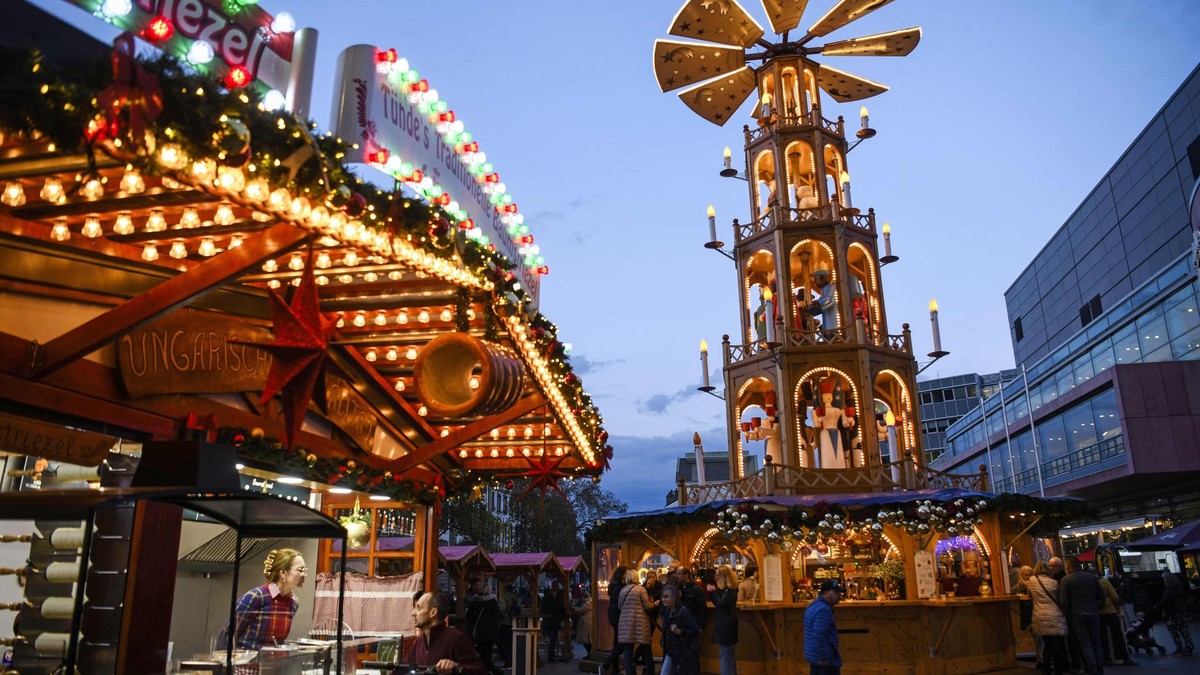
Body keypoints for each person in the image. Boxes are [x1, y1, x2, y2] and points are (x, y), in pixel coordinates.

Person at [217, 548, 306, 650]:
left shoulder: (293, 602)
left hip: (272, 664)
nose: (304, 574)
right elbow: (227, 635)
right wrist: (227, 664)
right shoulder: (256, 596)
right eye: (300, 570)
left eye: (305, 570)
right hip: (245, 664)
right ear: (283, 573)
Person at [408, 590, 487, 675]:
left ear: (433, 612)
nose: (413, 613)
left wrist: (456, 667)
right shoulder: (417, 643)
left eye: (418, 608)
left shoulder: (456, 638)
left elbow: (480, 671)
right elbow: (403, 669)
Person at [1059, 555, 1105, 675]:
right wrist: (1095, 606)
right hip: (1092, 612)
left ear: (1068, 566)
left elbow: (1063, 602)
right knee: (1096, 643)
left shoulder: (1066, 580)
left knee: (1085, 645)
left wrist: (1068, 616)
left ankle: (1092, 670)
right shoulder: (1091, 577)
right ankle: (1100, 669)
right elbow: (1102, 597)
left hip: (1077, 615)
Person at [1028, 561, 1069, 675]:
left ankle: (1046, 669)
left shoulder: (1031, 581)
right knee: (1057, 645)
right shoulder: (1054, 583)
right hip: (1054, 615)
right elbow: (1060, 599)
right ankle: (1059, 670)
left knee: (1048, 645)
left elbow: (1030, 596)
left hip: (1040, 615)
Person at [617, 569, 655, 675]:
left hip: (626, 623)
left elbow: (620, 606)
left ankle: (630, 672)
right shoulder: (641, 589)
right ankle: (650, 671)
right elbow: (647, 606)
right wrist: (655, 604)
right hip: (640, 622)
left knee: (628, 650)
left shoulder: (623, 590)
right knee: (646, 648)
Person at [811, 379, 854, 470]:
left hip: (836, 431)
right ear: (821, 397)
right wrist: (820, 419)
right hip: (825, 432)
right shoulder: (816, 411)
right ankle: (828, 469)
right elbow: (817, 425)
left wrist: (850, 420)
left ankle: (840, 468)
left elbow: (844, 423)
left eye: (830, 394)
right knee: (828, 453)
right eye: (825, 395)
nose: (828, 396)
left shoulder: (838, 410)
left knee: (838, 453)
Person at [464, 576, 504, 675]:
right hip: (490, 632)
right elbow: (499, 615)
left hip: (478, 632)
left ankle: (485, 670)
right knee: (488, 652)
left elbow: (469, 617)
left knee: (481, 652)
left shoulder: (474, 601)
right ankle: (488, 670)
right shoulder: (492, 602)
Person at [803, 580, 843, 675]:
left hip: (814, 656)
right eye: (836, 593)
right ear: (826, 593)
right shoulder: (823, 610)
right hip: (824, 660)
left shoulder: (813, 606)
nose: (839, 596)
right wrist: (823, 657)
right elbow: (819, 636)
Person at [659, 584, 700, 675]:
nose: (663, 599)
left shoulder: (683, 612)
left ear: (673, 598)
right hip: (670, 652)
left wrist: (680, 631)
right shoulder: (666, 612)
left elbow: (695, 630)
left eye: (666, 597)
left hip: (682, 652)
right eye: (662, 597)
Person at [1097, 574, 1136, 666]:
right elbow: (1114, 596)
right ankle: (1125, 657)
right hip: (1110, 612)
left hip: (1098, 613)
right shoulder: (1104, 582)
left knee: (1103, 638)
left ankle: (1107, 659)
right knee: (1118, 635)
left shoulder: (1091, 583)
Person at [707, 565, 739, 675]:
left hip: (726, 625)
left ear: (723, 577)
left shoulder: (728, 591)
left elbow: (722, 605)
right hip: (727, 624)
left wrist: (713, 592)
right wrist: (714, 592)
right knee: (727, 654)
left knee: (725, 656)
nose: (716, 578)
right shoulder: (728, 591)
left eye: (718, 576)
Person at [601, 566, 629, 675]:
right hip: (618, 616)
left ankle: (615, 668)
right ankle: (607, 664)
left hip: (614, 616)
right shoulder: (618, 587)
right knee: (621, 643)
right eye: (626, 573)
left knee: (617, 642)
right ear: (622, 574)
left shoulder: (614, 585)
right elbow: (620, 601)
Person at [1160, 570, 1194, 655]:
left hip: (1174, 612)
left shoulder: (1169, 590)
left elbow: (1165, 600)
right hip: (1181, 611)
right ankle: (1188, 646)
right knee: (1183, 629)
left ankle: (1180, 646)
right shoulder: (1179, 588)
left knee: (1173, 628)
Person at [542, 580, 567, 663]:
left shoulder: (544, 600)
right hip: (555, 623)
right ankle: (551, 656)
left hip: (547, 622)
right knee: (553, 640)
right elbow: (562, 609)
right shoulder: (556, 601)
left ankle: (552, 655)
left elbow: (541, 609)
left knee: (551, 639)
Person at [497, 584, 521, 668]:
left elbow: (501, 610)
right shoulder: (516, 599)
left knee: (500, 643)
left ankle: (508, 661)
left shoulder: (505, 598)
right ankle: (511, 661)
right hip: (513, 623)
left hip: (505, 622)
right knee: (509, 643)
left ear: (505, 590)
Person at [574, 590, 593, 658]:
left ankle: (589, 654)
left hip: (586, 623)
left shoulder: (588, 602)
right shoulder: (586, 601)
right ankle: (589, 654)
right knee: (586, 640)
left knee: (586, 640)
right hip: (585, 622)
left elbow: (582, 609)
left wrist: (574, 609)